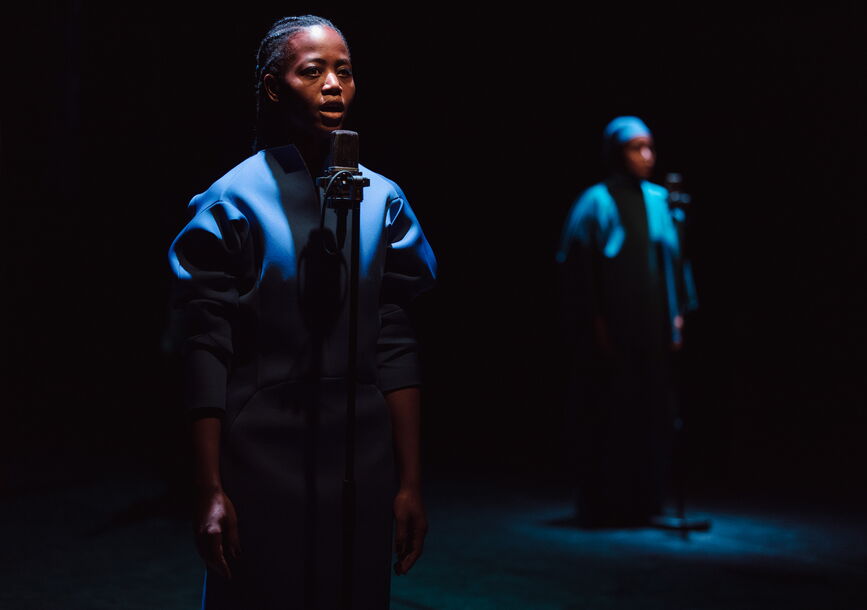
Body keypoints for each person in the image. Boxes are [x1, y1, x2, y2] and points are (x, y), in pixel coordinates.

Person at [168, 16, 436, 608]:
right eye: (312, 71)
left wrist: (410, 480)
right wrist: (209, 486)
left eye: (344, 70)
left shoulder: (382, 198)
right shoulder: (232, 199)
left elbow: (394, 340)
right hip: (262, 455)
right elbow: (206, 345)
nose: (333, 85)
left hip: (362, 457)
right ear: (272, 87)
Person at [556, 116, 696, 527]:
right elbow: (578, 268)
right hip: (614, 331)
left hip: (653, 327)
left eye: (650, 147)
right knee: (610, 413)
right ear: (617, 153)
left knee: (653, 414)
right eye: (637, 148)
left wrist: (678, 316)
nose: (648, 156)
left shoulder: (659, 200)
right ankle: (606, 500)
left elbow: (676, 261)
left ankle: (647, 498)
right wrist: (594, 324)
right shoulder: (596, 201)